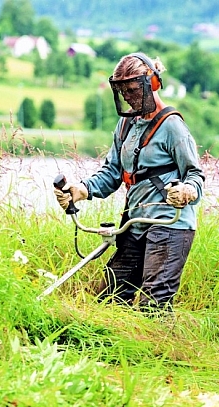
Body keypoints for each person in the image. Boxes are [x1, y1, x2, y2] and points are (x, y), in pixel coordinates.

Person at [54, 52, 204, 313]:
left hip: (169, 224)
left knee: (153, 303)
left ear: (152, 84)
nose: (128, 97)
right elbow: (112, 172)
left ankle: (163, 351)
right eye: (123, 91)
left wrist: (186, 191)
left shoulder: (172, 126)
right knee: (111, 298)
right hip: (135, 224)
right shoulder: (125, 125)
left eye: (133, 90)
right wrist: (81, 189)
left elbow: (196, 175)